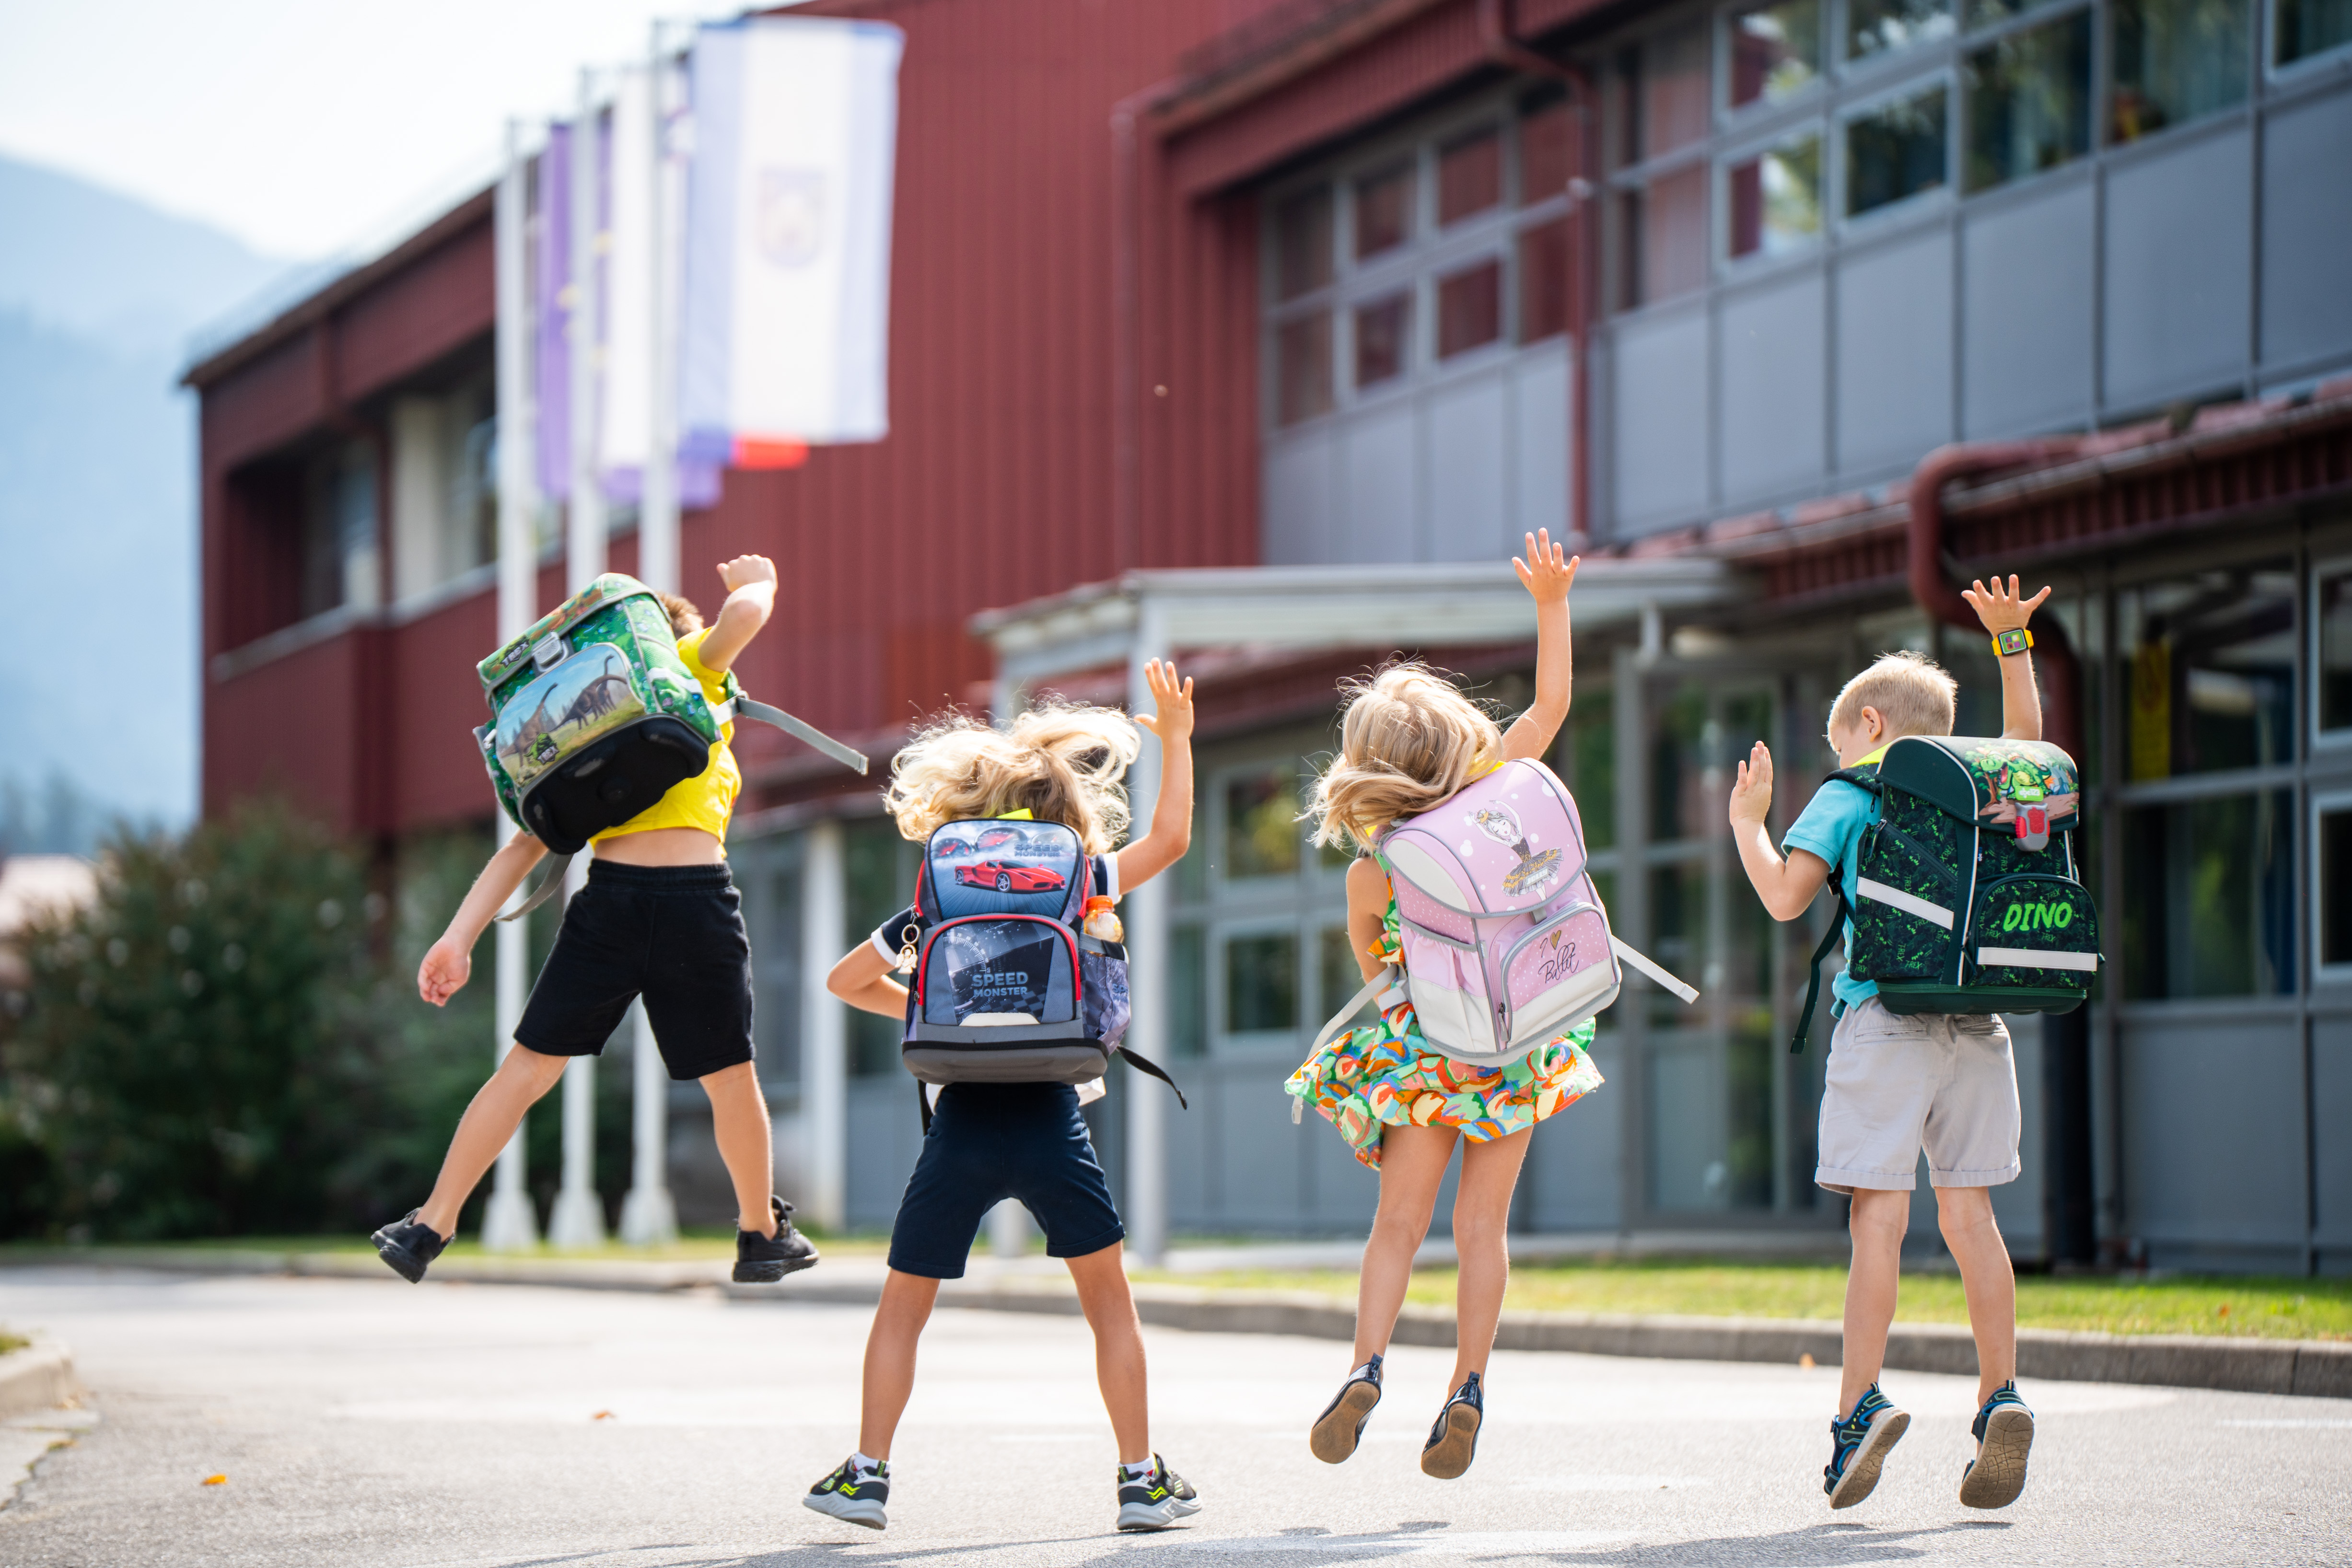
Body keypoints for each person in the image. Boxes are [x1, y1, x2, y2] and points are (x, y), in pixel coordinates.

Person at [804, 660, 1202, 1535]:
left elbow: (842, 982)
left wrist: (915, 1004)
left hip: (960, 1125)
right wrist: (1175, 738)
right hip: (1053, 1119)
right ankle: (1140, 1479)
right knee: (1109, 1307)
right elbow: (1170, 841)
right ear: (1069, 815)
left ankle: (865, 1475)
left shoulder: (938, 891)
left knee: (903, 1308)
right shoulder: (1082, 879)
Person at [373, 554, 818, 1288]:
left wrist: (457, 940)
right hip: (696, 905)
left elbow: (522, 846)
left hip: (607, 905)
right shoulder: (679, 672)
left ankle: (428, 1225)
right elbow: (742, 617)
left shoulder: (592, 726)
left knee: (524, 1072)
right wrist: (758, 581)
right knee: (729, 1078)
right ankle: (760, 1234)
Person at [1725, 575, 2050, 1512]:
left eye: (1839, 740)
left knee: (1877, 1220)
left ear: (1866, 724)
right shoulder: (1982, 782)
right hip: (1979, 1020)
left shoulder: (1853, 789)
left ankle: (1856, 1406)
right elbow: (2029, 745)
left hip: (1884, 1019)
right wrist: (2008, 645)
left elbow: (1787, 898)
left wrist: (1749, 826)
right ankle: (1997, 1395)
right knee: (1970, 1219)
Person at [1284, 531, 1603, 1482]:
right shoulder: (1500, 794)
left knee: (1396, 1226)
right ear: (1459, 737)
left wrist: (1400, 998)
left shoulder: (1372, 865)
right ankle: (1466, 1386)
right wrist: (1550, 602)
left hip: (1425, 1054)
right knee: (1482, 1232)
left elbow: (1373, 965)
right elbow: (1551, 704)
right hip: (1514, 1047)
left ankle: (1365, 1363)